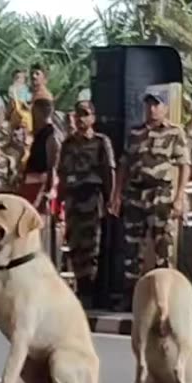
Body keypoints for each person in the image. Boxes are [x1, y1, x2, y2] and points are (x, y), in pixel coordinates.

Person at [108, 89, 191, 309]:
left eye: (156, 105)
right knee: (131, 248)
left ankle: (167, 299)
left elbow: (184, 165)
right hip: (135, 194)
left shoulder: (174, 132)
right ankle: (131, 296)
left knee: (163, 246)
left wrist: (180, 197)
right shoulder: (135, 133)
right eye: (149, 105)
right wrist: (116, 195)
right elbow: (124, 165)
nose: (152, 109)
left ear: (165, 107)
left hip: (161, 194)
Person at [58, 101, 116, 307]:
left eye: (85, 115)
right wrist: (60, 200)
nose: (81, 119)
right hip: (74, 197)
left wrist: (111, 198)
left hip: (93, 197)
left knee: (94, 246)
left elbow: (109, 171)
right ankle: (81, 288)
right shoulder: (68, 144)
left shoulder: (101, 142)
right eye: (78, 115)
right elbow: (62, 173)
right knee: (76, 245)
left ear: (93, 118)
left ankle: (93, 292)